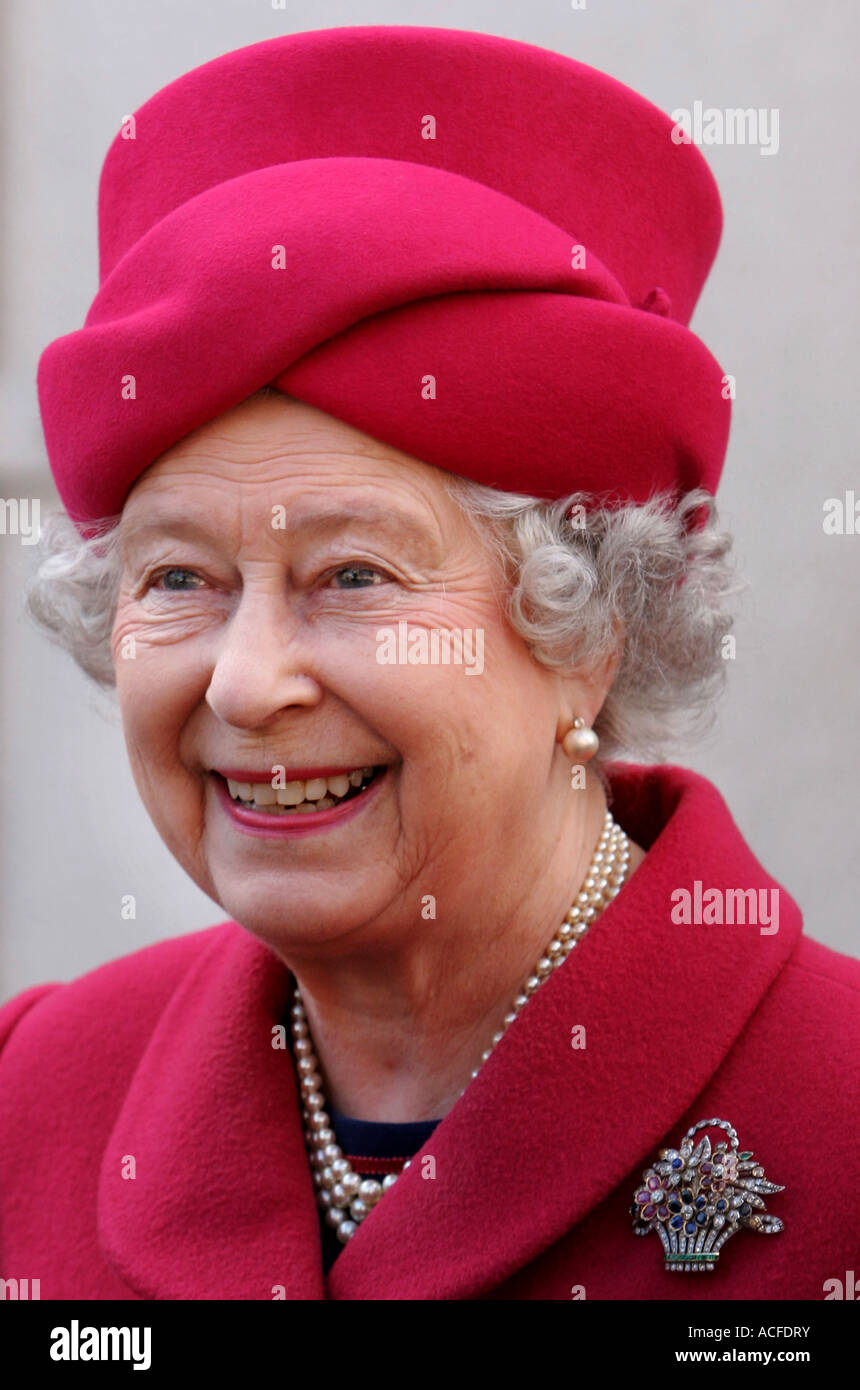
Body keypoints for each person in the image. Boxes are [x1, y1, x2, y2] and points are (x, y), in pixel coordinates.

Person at [1, 25, 856, 1302]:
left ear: (590, 631)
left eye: (352, 576)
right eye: (178, 578)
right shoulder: (35, 1090)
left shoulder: (831, 1118)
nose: (244, 685)